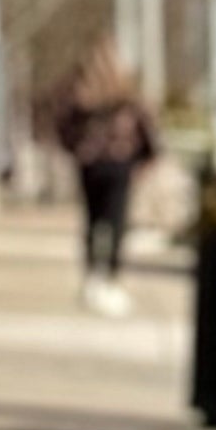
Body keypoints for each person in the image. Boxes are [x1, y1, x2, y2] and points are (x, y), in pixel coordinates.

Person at [47, 46, 158, 316]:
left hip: (95, 165)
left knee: (95, 222)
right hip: (115, 166)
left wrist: (77, 151)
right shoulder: (120, 99)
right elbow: (149, 133)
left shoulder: (85, 98)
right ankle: (108, 277)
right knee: (114, 223)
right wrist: (144, 160)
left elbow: (62, 127)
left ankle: (94, 276)